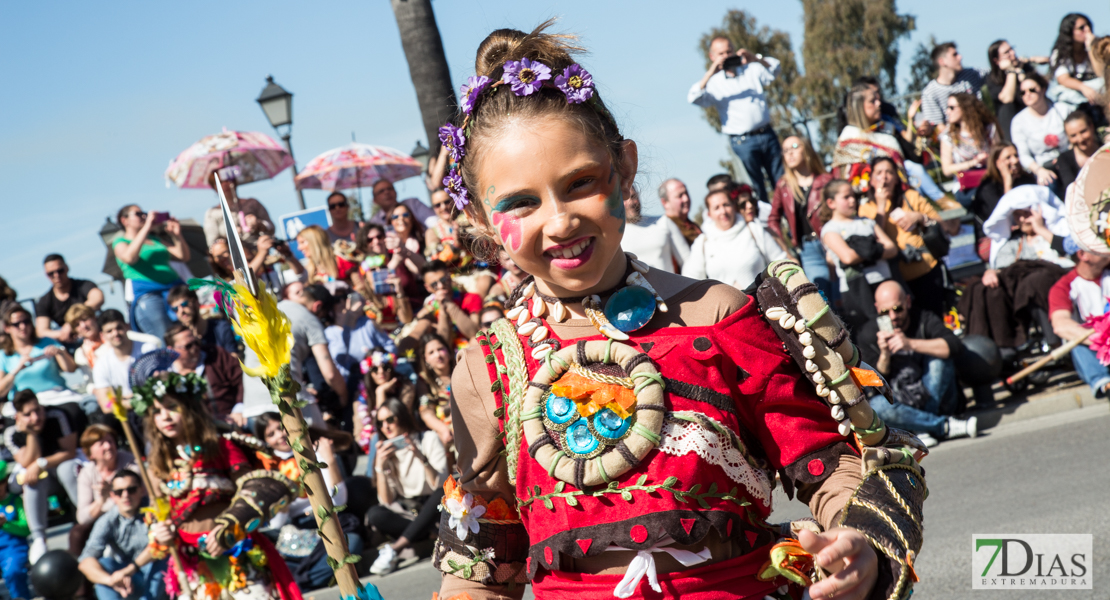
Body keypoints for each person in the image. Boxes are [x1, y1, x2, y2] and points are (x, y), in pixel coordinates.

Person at [435, 22, 925, 599]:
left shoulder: (716, 314)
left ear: (624, 168)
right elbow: (482, 566)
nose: (560, 221)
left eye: (581, 183)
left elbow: (830, 464)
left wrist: (855, 544)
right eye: (521, 203)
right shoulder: (486, 368)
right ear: (482, 223)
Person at [138, 371, 302, 600]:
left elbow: (254, 490)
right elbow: (157, 517)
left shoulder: (223, 446)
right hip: (194, 567)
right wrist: (160, 534)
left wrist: (228, 530)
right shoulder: (156, 467)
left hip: (240, 555)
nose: (165, 416)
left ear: (190, 408)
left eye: (172, 407)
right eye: (156, 411)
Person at [856, 281, 976, 447]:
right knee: (876, 406)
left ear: (908, 302)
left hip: (935, 397)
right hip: (901, 400)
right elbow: (871, 384)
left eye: (897, 309)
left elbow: (955, 346)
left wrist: (910, 344)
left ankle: (920, 427)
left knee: (939, 359)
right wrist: (885, 354)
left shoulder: (923, 319)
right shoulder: (869, 334)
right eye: (885, 312)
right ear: (877, 309)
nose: (892, 316)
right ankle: (942, 426)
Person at [253, 412, 360, 592]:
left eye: (281, 428)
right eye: (271, 434)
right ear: (265, 442)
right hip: (299, 530)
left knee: (352, 542)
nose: (279, 435)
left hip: (330, 518)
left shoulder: (315, 450)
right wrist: (282, 496)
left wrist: (330, 460)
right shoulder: (268, 468)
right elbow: (276, 524)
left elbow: (339, 499)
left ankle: (303, 580)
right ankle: (311, 577)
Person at [858, 156, 961, 317]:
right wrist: (881, 206)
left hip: (927, 270)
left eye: (889, 172)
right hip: (895, 281)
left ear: (897, 179)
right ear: (871, 180)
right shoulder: (866, 209)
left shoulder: (911, 197)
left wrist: (920, 217)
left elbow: (942, 225)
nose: (884, 177)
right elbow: (871, 241)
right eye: (879, 172)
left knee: (935, 318)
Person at [688, 35, 784, 204]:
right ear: (712, 57)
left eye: (729, 51)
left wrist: (755, 58)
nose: (726, 56)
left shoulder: (752, 69)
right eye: (721, 53)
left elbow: (775, 68)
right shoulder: (713, 83)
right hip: (743, 142)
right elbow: (694, 98)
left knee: (783, 184)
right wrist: (711, 71)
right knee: (754, 191)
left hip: (767, 134)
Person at [366, 398, 447, 576]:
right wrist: (380, 467)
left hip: (434, 506)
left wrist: (421, 457)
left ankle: (395, 548)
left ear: (402, 417)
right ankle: (428, 532)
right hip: (410, 510)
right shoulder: (386, 451)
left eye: (390, 419)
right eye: (380, 423)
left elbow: (440, 485)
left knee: (441, 494)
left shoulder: (428, 438)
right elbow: (386, 501)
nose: (385, 426)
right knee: (375, 514)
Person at [4, 390, 79, 563]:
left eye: (38, 410)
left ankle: (86, 520)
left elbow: (69, 452)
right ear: (18, 417)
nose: (36, 417)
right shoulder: (12, 433)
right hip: (44, 479)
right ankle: (39, 539)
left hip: (64, 470)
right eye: (28, 414)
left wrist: (41, 463)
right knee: (31, 481)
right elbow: (26, 462)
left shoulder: (58, 416)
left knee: (66, 470)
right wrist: (31, 434)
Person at [820, 179, 898, 330]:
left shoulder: (866, 222)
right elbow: (847, 257)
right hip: (857, 290)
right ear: (831, 203)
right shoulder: (830, 229)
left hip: (884, 282)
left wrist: (865, 251)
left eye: (853, 196)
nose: (852, 200)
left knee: (894, 327)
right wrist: (874, 248)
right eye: (846, 197)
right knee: (872, 332)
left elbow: (891, 248)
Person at [77, 470, 167, 600]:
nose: (125, 495)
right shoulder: (107, 521)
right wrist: (110, 580)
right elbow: (85, 562)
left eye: (131, 490)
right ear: (112, 496)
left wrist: (129, 570)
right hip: (129, 580)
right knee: (103, 564)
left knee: (164, 557)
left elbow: (160, 545)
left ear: (141, 490)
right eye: (119, 492)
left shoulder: (154, 510)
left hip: (156, 574)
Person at [112, 205, 189, 341]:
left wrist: (176, 236)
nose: (143, 216)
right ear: (125, 221)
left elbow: (183, 256)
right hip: (150, 296)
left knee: (187, 333)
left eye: (144, 213)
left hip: (175, 292)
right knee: (166, 338)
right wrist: (147, 226)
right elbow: (130, 258)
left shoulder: (154, 240)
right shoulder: (120, 242)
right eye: (138, 214)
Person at [682, 189, 785, 290]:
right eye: (716, 208)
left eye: (726, 205)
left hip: (764, 303)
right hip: (725, 306)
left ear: (733, 206)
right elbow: (690, 281)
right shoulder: (703, 242)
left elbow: (781, 262)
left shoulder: (753, 230)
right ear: (709, 214)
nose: (723, 211)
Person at [770, 135, 834, 297]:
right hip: (808, 250)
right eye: (785, 150)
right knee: (822, 297)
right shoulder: (783, 185)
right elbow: (773, 221)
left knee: (845, 296)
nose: (790, 153)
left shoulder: (826, 180)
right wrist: (787, 253)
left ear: (806, 150)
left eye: (794, 147)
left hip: (832, 243)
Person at [278, 284, 348, 425]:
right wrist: (344, 396)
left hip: (253, 402)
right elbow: (331, 374)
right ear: (317, 306)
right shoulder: (308, 318)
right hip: (290, 399)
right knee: (324, 442)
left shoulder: (276, 307)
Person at [1049, 249, 1110, 397]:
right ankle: (1104, 383)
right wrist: (1102, 339)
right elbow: (1061, 325)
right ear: (1083, 254)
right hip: (1093, 347)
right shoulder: (1064, 286)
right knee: (1076, 340)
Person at [165, 323, 243, 423]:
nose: (195, 348)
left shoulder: (216, 355)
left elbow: (242, 379)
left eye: (196, 342)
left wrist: (239, 409)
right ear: (171, 350)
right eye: (188, 346)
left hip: (233, 420)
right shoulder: (168, 377)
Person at [0, 305, 78, 403]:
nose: (23, 326)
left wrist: (61, 353)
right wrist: (16, 370)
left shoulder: (48, 341)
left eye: (26, 321)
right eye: (16, 324)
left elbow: (71, 369)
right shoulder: (3, 355)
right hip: (24, 403)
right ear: (7, 328)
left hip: (57, 396)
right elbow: (1, 392)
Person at [92, 310, 161, 413]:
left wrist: (122, 399)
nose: (115, 333)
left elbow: (161, 382)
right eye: (109, 331)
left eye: (119, 328)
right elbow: (106, 405)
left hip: (155, 405)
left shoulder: (148, 350)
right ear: (102, 336)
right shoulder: (101, 364)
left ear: (127, 326)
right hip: (128, 412)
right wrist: (133, 402)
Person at [940, 93, 1001, 207]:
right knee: (986, 194)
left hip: (991, 178)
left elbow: (1000, 156)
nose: (947, 112)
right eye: (947, 108)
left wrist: (988, 159)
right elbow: (947, 170)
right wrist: (973, 163)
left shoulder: (988, 129)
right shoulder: (948, 136)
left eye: (951, 107)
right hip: (967, 187)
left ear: (965, 107)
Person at [1010, 72, 1070, 185]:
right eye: (1023, 92)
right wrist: (1039, 170)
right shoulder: (1018, 122)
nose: (1027, 94)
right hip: (1042, 167)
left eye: (1032, 90)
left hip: (1068, 159)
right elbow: (1023, 155)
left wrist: (1067, 157)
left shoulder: (1062, 110)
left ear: (1043, 89)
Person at [985, 39, 1049, 142]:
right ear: (996, 60)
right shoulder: (992, 78)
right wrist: (1011, 71)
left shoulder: (1025, 67)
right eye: (1007, 53)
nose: (1013, 53)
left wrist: (1025, 68)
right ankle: (1012, 146)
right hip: (1011, 122)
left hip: (1035, 114)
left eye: (1012, 49)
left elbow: (1042, 87)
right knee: (1006, 108)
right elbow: (1007, 98)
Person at [75, 425, 139, 526]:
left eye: (110, 441)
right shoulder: (86, 474)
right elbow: (82, 517)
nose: (108, 446)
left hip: (132, 516)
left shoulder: (131, 462)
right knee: (77, 533)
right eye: (101, 444)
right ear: (90, 452)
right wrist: (101, 500)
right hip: (103, 522)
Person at [35, 254, 104, 345]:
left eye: (60, 271)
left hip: (97, 335)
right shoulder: (44, 301)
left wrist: (72, 323)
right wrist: (63, 333)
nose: (56, 275)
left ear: (66, 268)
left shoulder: (83, 285)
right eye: (51, 273)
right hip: (70, 344)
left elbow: (98, 298)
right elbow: (41, 331)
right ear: (46, 275)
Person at [619, 186, 687, 274]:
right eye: (624, 199)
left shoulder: (664, 221)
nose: (631, 203)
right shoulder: (614, 234)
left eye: (633, 197)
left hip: (669, 286)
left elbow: (686, 259)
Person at [919, 42, 989, 127]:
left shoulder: (971, 74)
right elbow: (939, 128)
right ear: (942, 61)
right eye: (954, 55)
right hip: (957, 138)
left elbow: (996, 74)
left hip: (984, 130)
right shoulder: (930, 93)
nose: (960, 57)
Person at [413, 261, 481, 346]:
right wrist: (442, 311)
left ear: (449, 277)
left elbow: (474, 333)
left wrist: (449, 303)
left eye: (443, 280)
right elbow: (442, 344)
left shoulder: (471, 298)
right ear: (427, 288)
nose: (440, 286)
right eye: (434, 284)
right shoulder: (428, 309)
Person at [1049, 13, 1103, 113]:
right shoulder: (1060, 53)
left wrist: (1091, 47)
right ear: (1070, 32)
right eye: (1081, 28)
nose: (1087, 30)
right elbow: (1063, 79)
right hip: (1077, 95)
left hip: (1098, 89)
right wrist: (1083, 87)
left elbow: (1100, 73)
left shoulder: (1098, 46)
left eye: (1088, 25)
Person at [202, 173, 275, 247]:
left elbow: (271, 227)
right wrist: (230, 236)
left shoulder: (252, 203)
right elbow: (212, 243)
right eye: (220, 182)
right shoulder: (212, 213)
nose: (225, 184)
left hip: (260, 250)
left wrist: (259, 224)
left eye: (227, 180)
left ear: (234, 182)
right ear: (214, 187)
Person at [971, 143, 1038, 223]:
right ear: (996, 163)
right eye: (1008, 157)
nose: (1015, 160)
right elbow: (1004, 218)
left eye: (1016, 155)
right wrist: (1007, 182)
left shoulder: (1026, 179)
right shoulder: (988, 187)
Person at [167, 286, 237, 358]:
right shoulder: (178, 340)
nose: (181, 311)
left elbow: (234, 359)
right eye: (175, 308)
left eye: (184, 304)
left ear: (197, 302)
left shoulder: (221, 328)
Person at [414, 332, 455, 450]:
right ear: (425, 358)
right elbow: (426, 412)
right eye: (431, 352)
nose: (438, 355)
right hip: (446, 432)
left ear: (448, 350)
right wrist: (443, 429)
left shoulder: (462, 369)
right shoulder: (423, 380)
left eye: (440, 349)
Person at [0, 460, 31, 600]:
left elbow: (26, 528)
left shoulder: (16, 501)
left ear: (6, 481)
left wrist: (6, 524)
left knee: (13, 571)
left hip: (13, 549)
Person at [1054, 110, 1102, 192]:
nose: (1080, 139)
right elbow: (1071, 189)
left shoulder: (1106, 149)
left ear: (1091, 127)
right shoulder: (1064, 159)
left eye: (1083, 131)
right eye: (1073, 135)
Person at [368, 180, 436, 228]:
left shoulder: (413, 204)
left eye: (389, 188)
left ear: (396, 192)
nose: (387, 192)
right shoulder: (375, 222)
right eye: (381, 191)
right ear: (375, 200)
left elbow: (434, 223)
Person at [657, 178, 701, 249]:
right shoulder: (664, 229)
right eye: (680, 196)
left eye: (686, 193)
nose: (686, 199)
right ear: (665, 202)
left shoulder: (692, 225)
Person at [387, 204, 428, 274]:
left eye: (405, 215)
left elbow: (427, 268)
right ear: (391, 222)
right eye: (395, 217)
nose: (401, 219)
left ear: (412, 219)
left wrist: (404, 250)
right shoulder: (386, 246)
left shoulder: (423, 241)